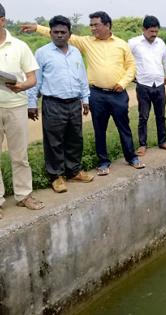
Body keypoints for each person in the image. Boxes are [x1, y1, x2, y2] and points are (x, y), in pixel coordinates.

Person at [22, 11, 144, 176]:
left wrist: (123, 83)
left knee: (123, 127)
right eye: (91, 25)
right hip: (97, 94)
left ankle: (132, 158)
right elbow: (61, 34)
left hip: (118, 94)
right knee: (98, 130)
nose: (92, 28)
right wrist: (37, 27)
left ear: (107, 26)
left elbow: (131, 66)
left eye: (96, 25)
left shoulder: (121, 44)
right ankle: (103, 162)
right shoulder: (87, 42)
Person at [27, 15, 94, 193]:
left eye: (63, 32)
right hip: (53, 103)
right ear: (50, 33)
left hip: (74, 103)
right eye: (55, 32)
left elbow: (82, 77)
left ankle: (74, 171)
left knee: (75, 138)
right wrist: (32, 102)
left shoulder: (76, 53)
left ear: (69, 34)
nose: (59, 35)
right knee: (54, 141)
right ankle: (56, 176)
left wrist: (85, 98)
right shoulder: (42, 53)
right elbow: (36, 80)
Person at [0, 2, 44, 217]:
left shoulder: (19, 46)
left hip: (16, 106)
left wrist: (20, 86)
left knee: (20, 155)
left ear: (2, 21)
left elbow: (32, 79)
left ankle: (23, 195)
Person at [128, 15, 166, 156]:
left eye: (156, 31)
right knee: (143, 116)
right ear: (143, 29)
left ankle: (163, 141)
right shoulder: (133, 43)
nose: (154, 34)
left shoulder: (160, 43)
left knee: (161, 115)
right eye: (151, 31)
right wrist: (130, 76)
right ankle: (143, 145)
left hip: (159, 85)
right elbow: (123, 59)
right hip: (143, 85)